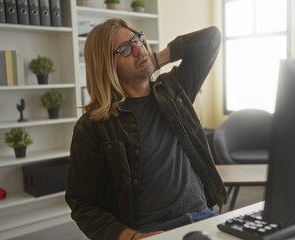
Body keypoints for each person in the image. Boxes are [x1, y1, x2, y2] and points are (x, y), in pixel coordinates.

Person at [65, 18, 227, 240]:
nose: (139, 49)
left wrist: (154, 60)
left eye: (137, 39)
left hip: (203, 217)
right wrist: (130, 237)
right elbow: (82, 203)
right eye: (125, 49)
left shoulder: (174, 90)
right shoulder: (92, 126)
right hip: (150, 232)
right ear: (106, 64)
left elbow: (211, 39)